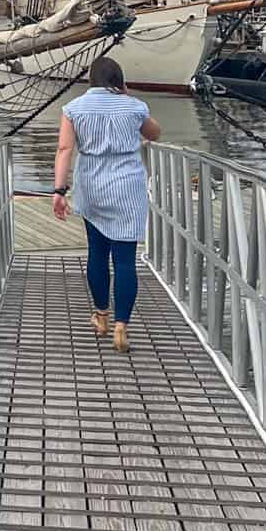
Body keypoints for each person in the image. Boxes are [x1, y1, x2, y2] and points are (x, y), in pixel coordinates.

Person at [52, 55, 161, 352]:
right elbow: (154, 133)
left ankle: (101, 316)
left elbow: (64, 149)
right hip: (127, 186)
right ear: (120, 80)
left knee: (97, 254)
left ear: (91, 80)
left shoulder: (74, 108)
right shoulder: (135, 107)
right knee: (125, 261)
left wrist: (59, 190)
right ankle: (121, 326)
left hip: (92, 186)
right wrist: (129, 101)